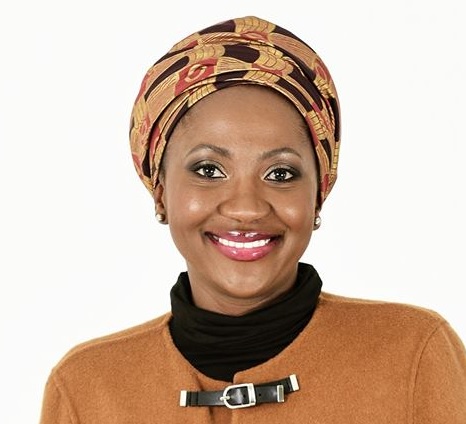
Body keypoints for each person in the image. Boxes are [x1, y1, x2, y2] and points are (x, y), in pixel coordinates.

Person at [39, 15, 466, 423]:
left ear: (318, 195)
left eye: (280, 174)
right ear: (161, 191)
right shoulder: (86, 387)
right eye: (208, 170)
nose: (246, 208)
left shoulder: (415, 355)